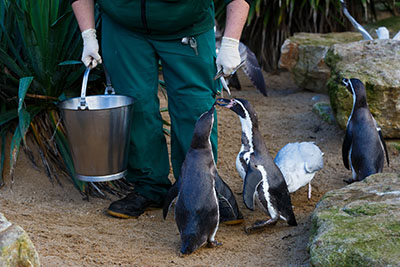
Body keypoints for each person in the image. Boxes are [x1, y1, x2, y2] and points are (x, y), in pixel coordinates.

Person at [70, 0, 251, 223]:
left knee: (193, 108)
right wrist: (88, 35)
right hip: (124, 27)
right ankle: (149, 186)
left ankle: (203, 187)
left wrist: (231, 43)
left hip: (186, 24)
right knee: (136, 107)